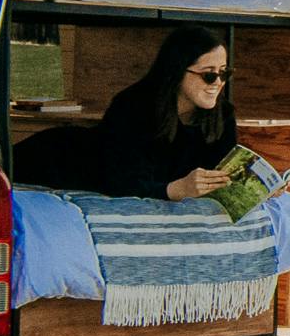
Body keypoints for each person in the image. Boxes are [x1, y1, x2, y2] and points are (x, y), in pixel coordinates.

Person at [95, 25, 241, 204]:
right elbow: (119, 183)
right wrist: (176, 190)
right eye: (209, 75)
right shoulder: (131, 108)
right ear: (178, 71)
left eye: (224, 73)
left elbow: (224, 178)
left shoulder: (223, 113)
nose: (218, 83)